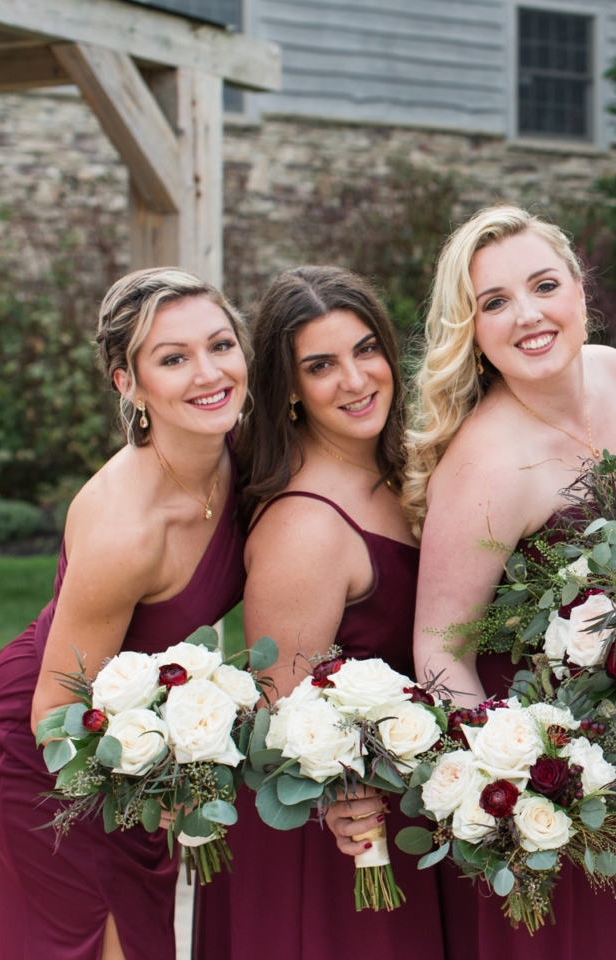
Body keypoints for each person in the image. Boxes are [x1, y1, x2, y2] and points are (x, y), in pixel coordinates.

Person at [394, 204, 616, 958]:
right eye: (494, 303)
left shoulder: (614, 373)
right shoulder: (488, 465)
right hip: (556, 793)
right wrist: (527, 784)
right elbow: (437, 651)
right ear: (474, 330)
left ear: (579, 290)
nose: (528, 315)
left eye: (543, 285)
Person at [0, 269, 248, 960]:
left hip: (121, 731)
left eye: (220, 344)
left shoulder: (243, 455)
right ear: (129, 384)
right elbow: (52, 715)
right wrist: (167, 783)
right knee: (98, 942)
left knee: (142, 929)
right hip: (41, 748)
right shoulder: (126, 529)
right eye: (173, 358)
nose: (209, 372)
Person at [192, 267, 447, 958]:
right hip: (332, 837)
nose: (357, 378)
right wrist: (346, 803)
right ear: (291, 389)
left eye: (366, 349)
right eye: (321, 365)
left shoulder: (402, 471)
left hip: (404, 805)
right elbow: (285, 711)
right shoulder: (306, 524)